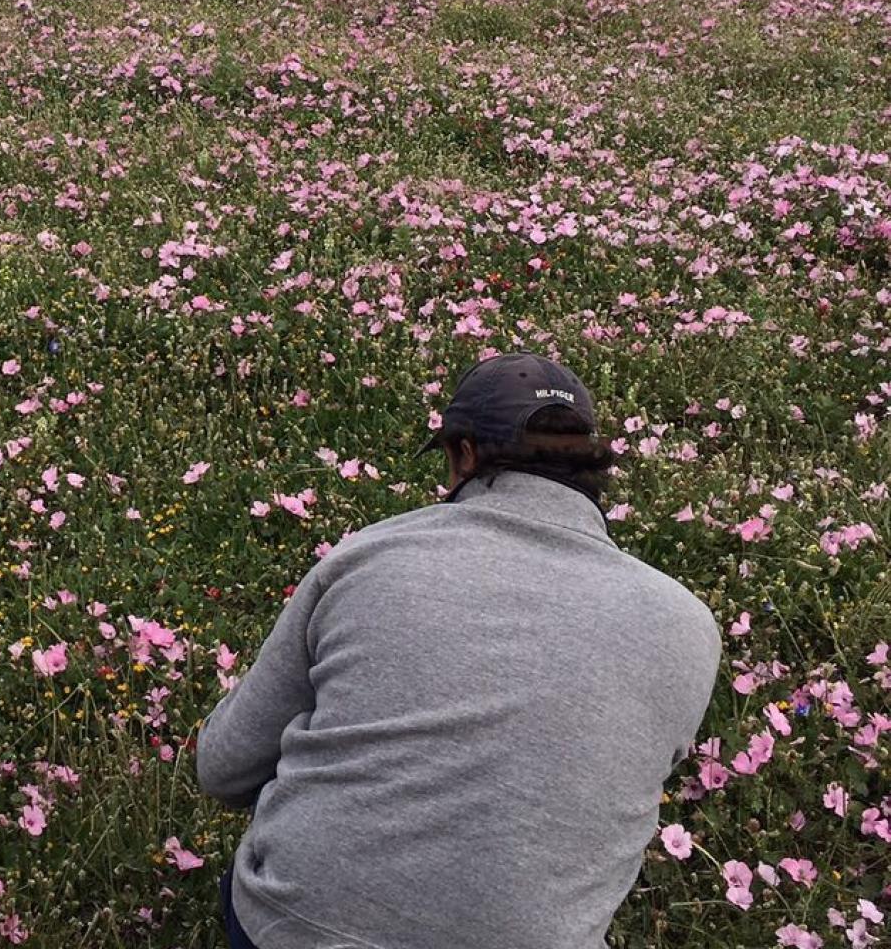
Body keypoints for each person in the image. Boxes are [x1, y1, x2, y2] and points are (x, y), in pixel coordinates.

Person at [196, 353, 721, 949]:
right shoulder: (689, 624)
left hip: (295, 929)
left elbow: (225, 768)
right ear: (586, 462)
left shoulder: (370, 556)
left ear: (465, 454)